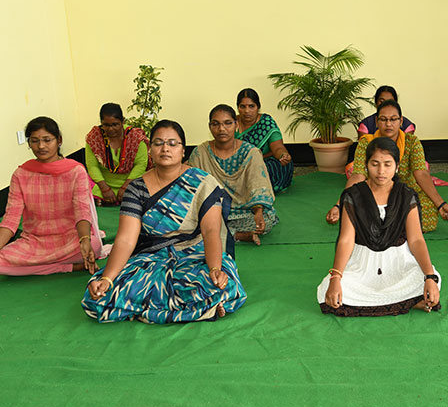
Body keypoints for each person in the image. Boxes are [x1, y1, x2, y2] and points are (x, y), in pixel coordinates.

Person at [83, 120, 246, 323]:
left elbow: (211, 231)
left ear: (183, 151)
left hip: (194, 254)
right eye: (158, 143)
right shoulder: (136, 188)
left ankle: (144, 308)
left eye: (172, 143)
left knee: (221, 282)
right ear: (150, 150)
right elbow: (125, 239)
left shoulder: (203, 182)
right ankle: (200, 308)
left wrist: (214, 269)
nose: (165, 148)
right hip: (150, 257)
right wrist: (107, 279)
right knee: (99, 294)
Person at [0, 117, 105, 288]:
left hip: (68, 239)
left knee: (94, 246)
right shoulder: (21, 174)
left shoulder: (76, 171)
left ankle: (50, 265)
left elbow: (82, 211)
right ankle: (67, 267)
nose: (41, 146)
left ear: (59, 140)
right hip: (33, 242)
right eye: (34, 141)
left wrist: (84, 239)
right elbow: (11, 219)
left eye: (47, 140)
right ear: (29, 143)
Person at [318, 137, 442, 316]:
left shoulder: (406, 196)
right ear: (366, 165)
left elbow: (416, 240)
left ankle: (395, 301)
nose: (381, 171)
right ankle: (407, 302)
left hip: (399, 264)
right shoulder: (353, 195)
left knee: (431, 279)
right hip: (362, 266)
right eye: (375, 164)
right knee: (326, 290)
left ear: (397, 166)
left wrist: (429, 277)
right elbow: (346, 240)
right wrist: (336, 278)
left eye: (387, 164)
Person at [326, 100, 448, 232]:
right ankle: (397, 225)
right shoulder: (366, 143)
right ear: (376, 121)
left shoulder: (412, 142)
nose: (388, 124)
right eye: (383, 119)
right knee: (357, 206)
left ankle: (386, 225)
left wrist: (440, 203)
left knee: (427, 209)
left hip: (405, 193)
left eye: (393, 119)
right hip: (375, 192)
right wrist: (339, 205)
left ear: (401, 121)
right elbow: (358, 175)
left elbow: (421, 173)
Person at [188, 105, 279, 245]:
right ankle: (238, 235)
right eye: (216, 124)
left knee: (265, 221)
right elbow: (192, 189)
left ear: (236, 125)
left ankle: (224, 233)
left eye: (227, 123)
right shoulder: (200, 153)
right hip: (212, 211)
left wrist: (258, 212)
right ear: (210, 127)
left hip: (244, 211)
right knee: (189, 221)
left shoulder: (251, 153)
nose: (221, 129)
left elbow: (258, 185)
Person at [85, 103, 150, 205]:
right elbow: (92, 166)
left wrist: (126, 187)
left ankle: (104, 201)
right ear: (101, 123)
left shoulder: (135, 137)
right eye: (106, 125)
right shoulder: (94, 138)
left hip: (131, 183)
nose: (111, 129)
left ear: (122, 121)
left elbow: (141, 164)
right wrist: (104, 188)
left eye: (115, 124)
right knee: (83, 183)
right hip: (102, 186)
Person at [234, 88, 294, 193]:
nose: (247, 111)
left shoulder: (266, 122)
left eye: (251, 106)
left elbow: (277, 147)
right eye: (242, 106)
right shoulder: (231, 123)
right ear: (238, 107)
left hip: (263, 162)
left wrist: (283, 156)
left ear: (258, 107)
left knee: (271, 168)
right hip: (236, 163)